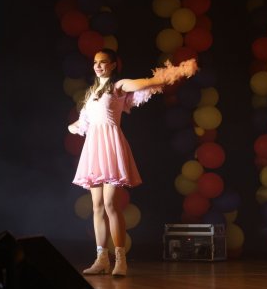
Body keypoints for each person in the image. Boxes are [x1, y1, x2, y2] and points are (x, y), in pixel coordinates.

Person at [68, 49, 198, 277]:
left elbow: (149, 82)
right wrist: (73, 126)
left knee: (110, 204)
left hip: (109, 146)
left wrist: (178, 71)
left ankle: (120, 259)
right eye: (95, 62)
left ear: (113, 65)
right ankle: (101, 259)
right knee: (97, 206)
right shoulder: (92, 93)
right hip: (93, 148)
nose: (98, 66)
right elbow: (84, 121)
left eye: (103, 62)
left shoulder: (119, 86)